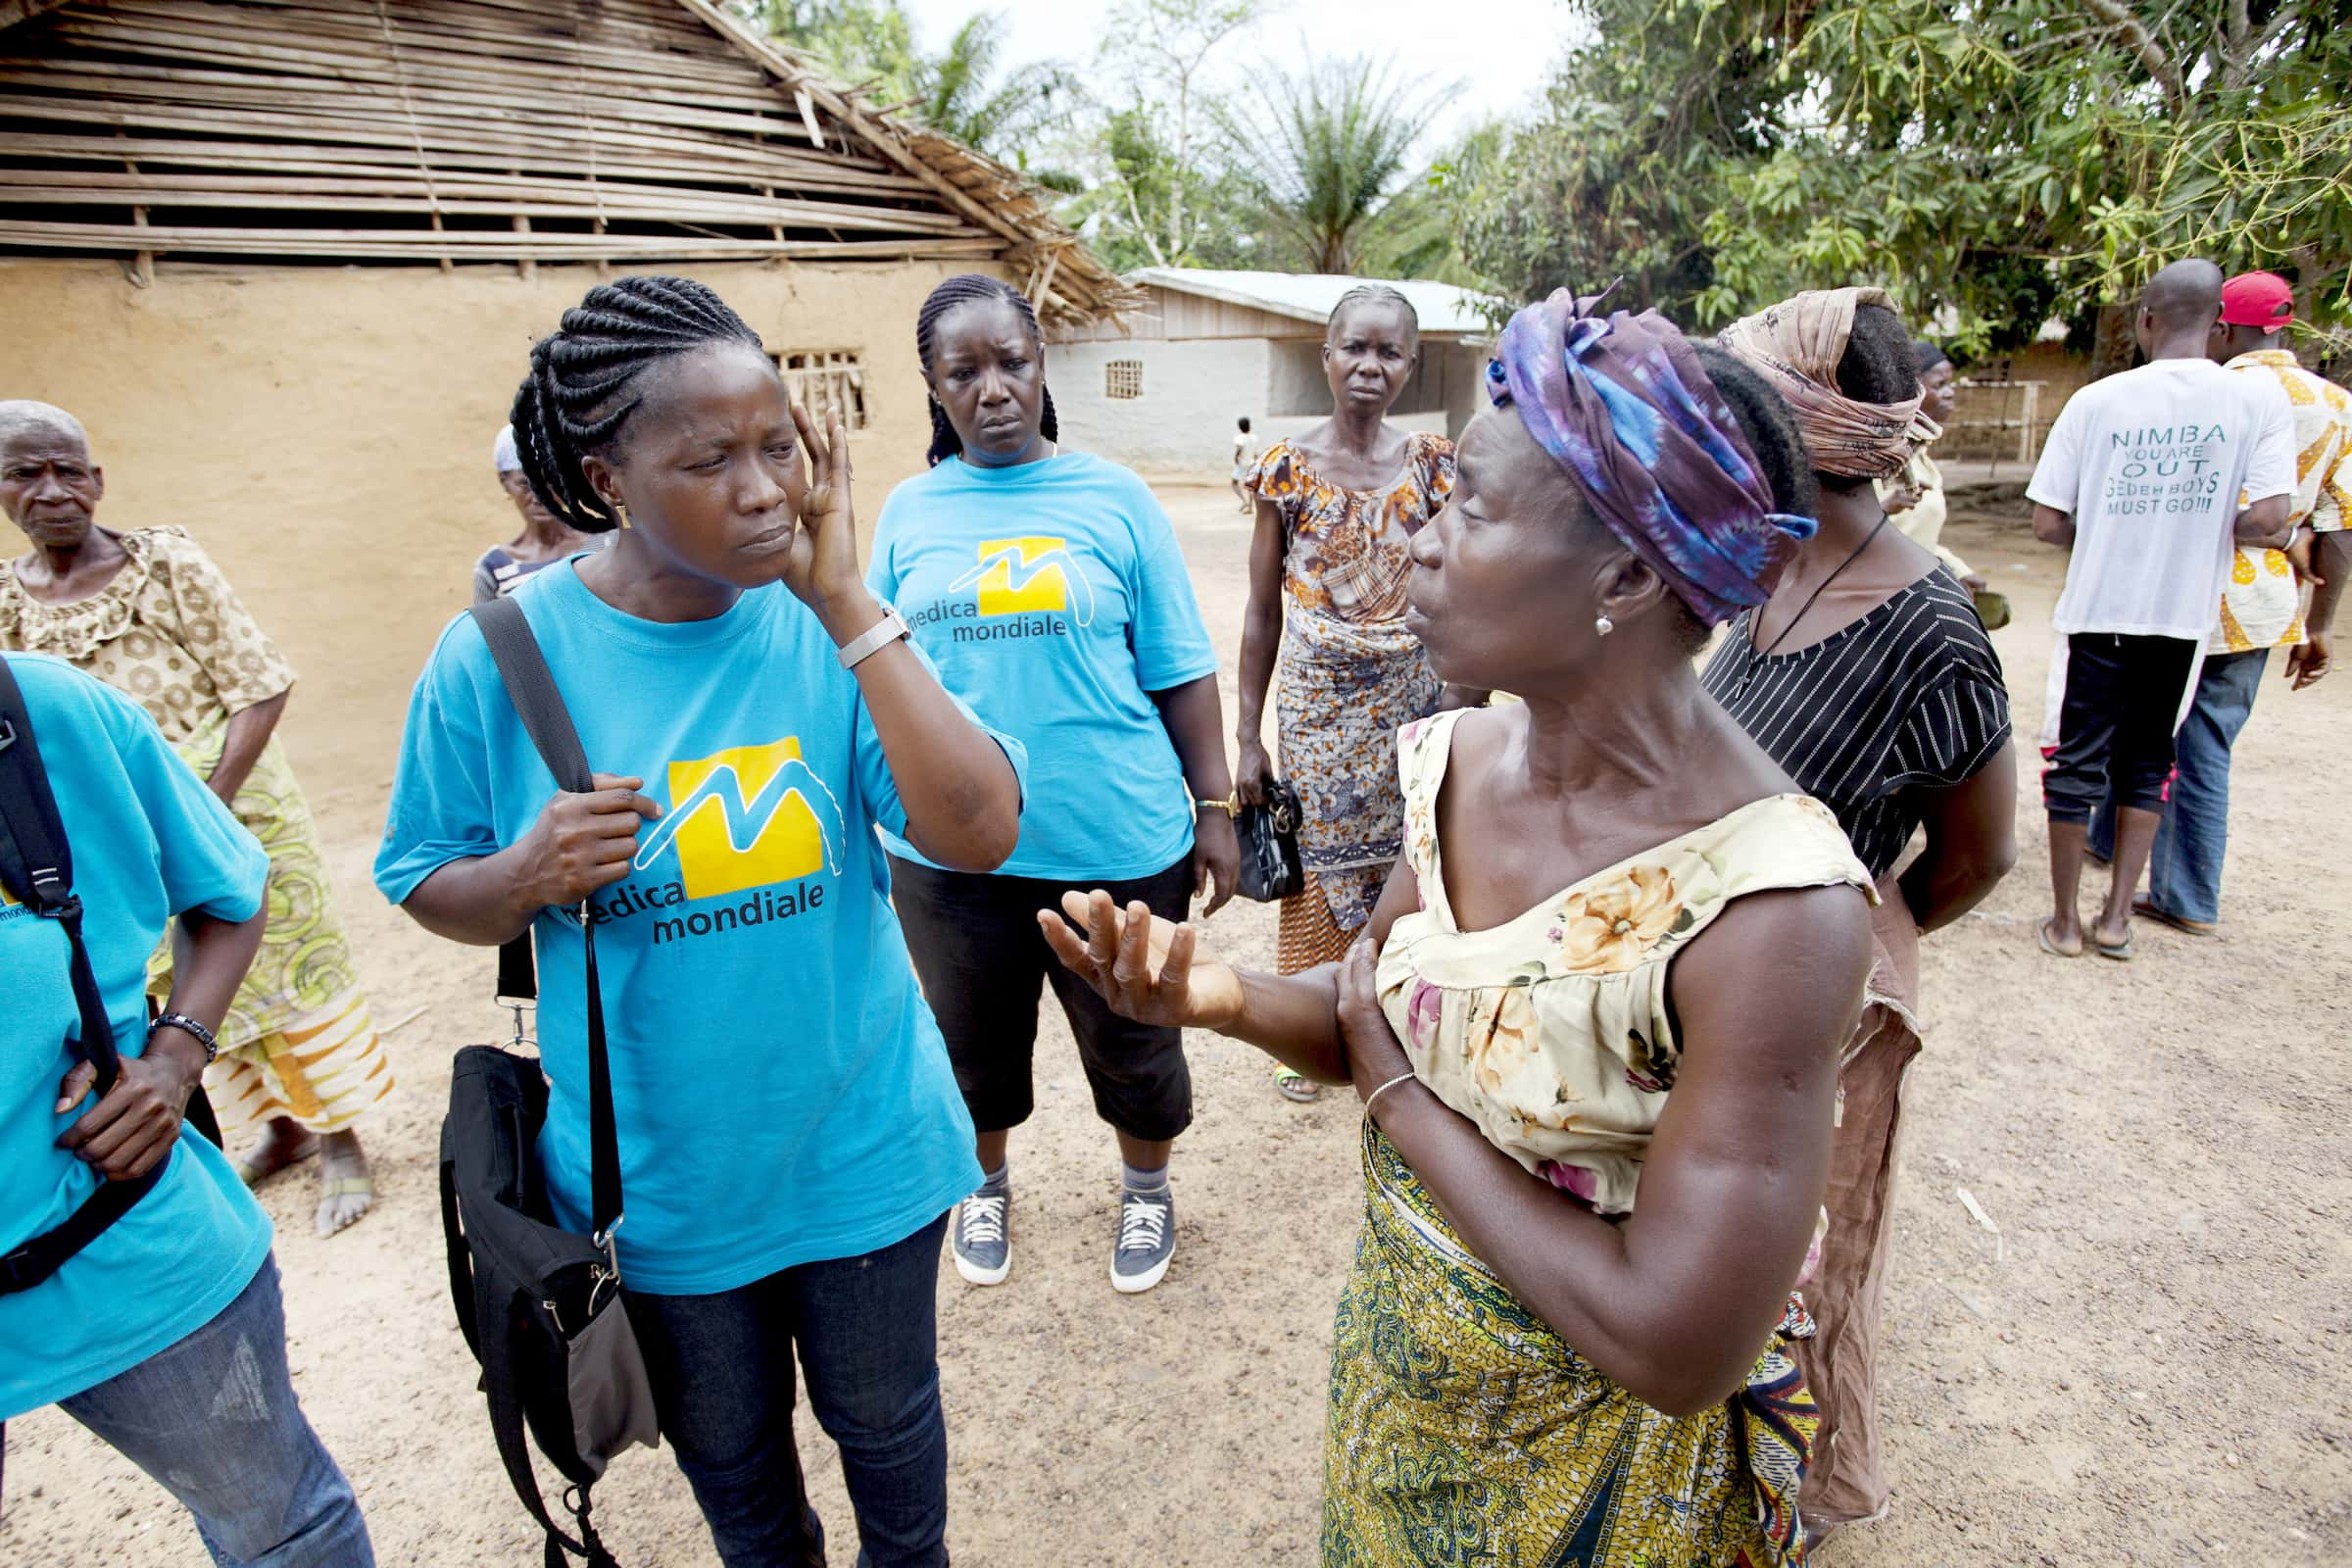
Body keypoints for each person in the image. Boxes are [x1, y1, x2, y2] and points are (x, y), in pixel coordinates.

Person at [1046, 295, 1878, 1566]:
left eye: (1471, 509)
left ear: (1629, 574)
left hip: (1596, 1489)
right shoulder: (1456, 760)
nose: (1420, 545)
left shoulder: (1769, 913)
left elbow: (1674, 1345)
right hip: (1409, 1393)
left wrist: (1399, 1106)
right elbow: (1365, 1012)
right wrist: (1204, 997)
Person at [376, 274, 1025, 1568]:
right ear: (606, 477)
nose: (763, 489)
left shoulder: (824, 621)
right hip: (663, 1190)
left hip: (863, 1151)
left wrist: (846, 606)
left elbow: (978, 830)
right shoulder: (500, 655)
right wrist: (525, 876)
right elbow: (420, 876)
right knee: (736, 1472)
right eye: (710, 458)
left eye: (778, 443)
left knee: (892, 1441)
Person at [1710, 288, 2018, 1538]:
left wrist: (1847, 937)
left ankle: (1799, 1497)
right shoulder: (1760, 568)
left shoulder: (1932, 623)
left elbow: (1976, 860)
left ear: (1794, 431)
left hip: (1814, 1001)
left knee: (1805, 1263)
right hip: (1722, 989)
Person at [869, 274, 1236, 1295]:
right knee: (972, 1042)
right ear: (934, 388)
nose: (993, 388)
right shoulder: (907, 512)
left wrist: (1216, 809)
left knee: (1136, 1037)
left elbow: (1178, 663)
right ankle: (983, 1185)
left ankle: (1146, 1189)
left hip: (1116, 833)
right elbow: (879, 672)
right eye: (964, 371)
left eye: (1012, 362)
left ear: (1042, 368)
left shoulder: (1114, 497)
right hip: (949, 850)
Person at [2, 652, 373, 1566]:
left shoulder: (48, 713)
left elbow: (229, 890)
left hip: (114, 1238)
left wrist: (174, 1059)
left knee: (283, 1531)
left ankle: (332, 1141)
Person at [0, 400, 391, 1237]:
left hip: (238, 810)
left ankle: (338, 1139)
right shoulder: (9, 602)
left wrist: (198, 812)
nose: (52, 489)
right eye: (24, 472)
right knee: (176, 993)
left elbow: (260, 682)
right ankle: (276, 1128)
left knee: (284, 972)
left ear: (99, 481)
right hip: (106, 849)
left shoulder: (165, 562)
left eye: (69, 468)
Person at [2027, 260, 2297, 960]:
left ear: (2145, 319)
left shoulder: (2097, 401)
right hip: (2182, 619)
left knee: (2074, 761)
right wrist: (2201, 526)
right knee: (2151, 760)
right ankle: (2116, 920)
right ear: (2217, 323)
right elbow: (2272, 517)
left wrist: (2119, 528)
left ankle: (2063, 921)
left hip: (2097, 613)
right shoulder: (2255, 402)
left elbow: (2049, 524)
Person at [1236, 284, 1460, 1103]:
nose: (1371, 366)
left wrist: (1460, 695)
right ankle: (1309, 1032)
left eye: (1389, 352)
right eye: (1354, 349)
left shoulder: (1435, 465)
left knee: (1420, 848)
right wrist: (1247, 738)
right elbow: (1263, 611)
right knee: (1321, 864)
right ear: (1326, 357)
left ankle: (1397, 1020)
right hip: (1318, 701)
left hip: (1418, 693)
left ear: (1411, 363)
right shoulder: (1286, 471)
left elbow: (1462, 580)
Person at [2082, 270, 2350, 934]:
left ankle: (2179, 891)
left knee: (2140, 717)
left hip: (2180, 584)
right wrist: (2320, 625)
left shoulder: (2219, 395)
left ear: (2222, 328)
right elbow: (2339, 526)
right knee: (2208, 737)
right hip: (2263, 598)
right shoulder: (2339, 405)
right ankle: (2143, 862)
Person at [1879, 341, 1988, 593]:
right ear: (1909, 391)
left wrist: (1958, 570)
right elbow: (1843, 535)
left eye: (1950, 384)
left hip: (1913, 591)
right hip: (1879, 599)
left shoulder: (1921, 461)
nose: (1950, 393)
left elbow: (1917, 540)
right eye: (1940, 385)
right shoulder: (1877, 460)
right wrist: (1884, 509)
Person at [473, 422, 606, 602]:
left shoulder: (607, 544)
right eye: (525, 484)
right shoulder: (493, 567)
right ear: (505, 484)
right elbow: (487, 629)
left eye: (551, 481)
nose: (540, 497)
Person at [1230, 415, 1255, 514]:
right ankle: (1250, 507)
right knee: (1250, 486)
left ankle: (1244, 501)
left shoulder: (1239, 438)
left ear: (1239, 427)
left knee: (1234, 483)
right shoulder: (1254, 437)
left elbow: (1240, 448)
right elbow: (1255, 453)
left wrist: (1236, 457)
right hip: (1251, 463)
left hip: (1242, 464)